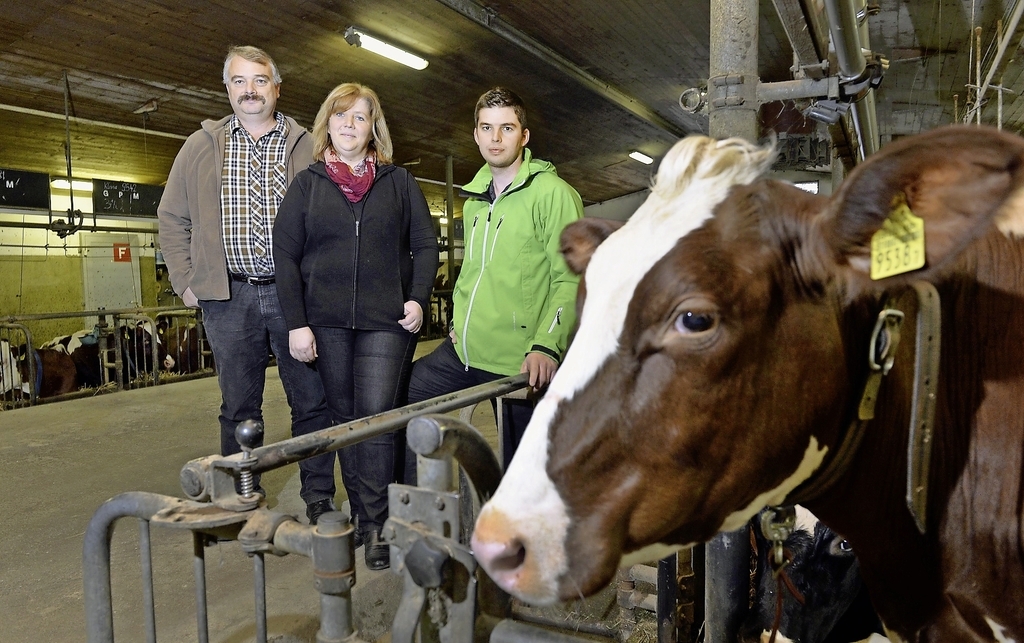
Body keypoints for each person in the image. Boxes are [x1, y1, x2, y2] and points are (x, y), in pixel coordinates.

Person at [157, 45, 335, 521]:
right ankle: (240, 497)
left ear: (276, 88)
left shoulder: (308, 145)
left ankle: (318, 496)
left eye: (260, 80)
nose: (250, 90)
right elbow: (172, 217)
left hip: (292, 295)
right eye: (239, 81)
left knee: (311, 399)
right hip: (229, 296)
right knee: (239, 406)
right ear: (228, 89)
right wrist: (185, 279)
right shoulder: (200, 146)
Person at [274, 82, 438, 570]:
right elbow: (285, 255)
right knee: (346, 422)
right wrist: (296, 324)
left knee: (377, 420)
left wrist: (418, 297)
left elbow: (426, 245)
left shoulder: (399, 182)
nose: (349, 124)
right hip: (325, 322)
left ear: (373, 127)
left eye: (360, 117)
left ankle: (377, 525)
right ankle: (368, 519)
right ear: (329, 123)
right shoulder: (307, 184)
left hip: (385, 321)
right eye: (341, 115)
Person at [404, 87, 583, 481]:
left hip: (519, 360)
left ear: (524, 136)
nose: (496, 138)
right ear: (476, 134)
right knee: (402, 397)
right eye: (487, 128)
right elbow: (472, 271)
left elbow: (571, 278)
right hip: (465, 352)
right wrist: (457, 321)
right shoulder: (474, 200)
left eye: (506, 128)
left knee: (527, 472)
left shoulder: (553, 194)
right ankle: (414, 514)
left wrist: (546, 347)